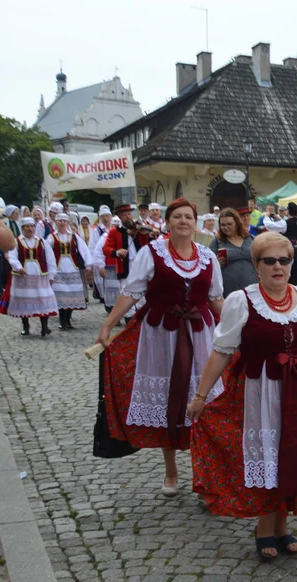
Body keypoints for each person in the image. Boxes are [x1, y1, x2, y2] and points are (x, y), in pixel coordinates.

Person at [186, 232, 297, 560]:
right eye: (269, 261)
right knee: (268, 455)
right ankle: (264, 528)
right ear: (256, 265)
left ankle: (282, 525)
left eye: (284, 260)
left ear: (292, 264)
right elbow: (221, 351)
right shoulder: (242, 300)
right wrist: (201, 395)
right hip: (259, 391)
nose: (278, 266)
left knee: (293, 452)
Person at [97, 198, 224, 497]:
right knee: (170, 399)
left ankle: (202, 474)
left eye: (188, 217)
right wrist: (108, 324)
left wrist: (241, 321)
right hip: (160, 335)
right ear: (167, 222)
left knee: (201, 400)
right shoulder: (152, 253)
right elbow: (131, 292)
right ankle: (170, 470)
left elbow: (216, 299)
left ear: (196, 223)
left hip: (199, 333)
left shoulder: (208, 257)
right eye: (177, 217)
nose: (183, 221)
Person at [0, 217, 56, 336]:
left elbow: (50, 259)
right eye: (27, 227)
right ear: (22, 228)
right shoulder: (16, 242)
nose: (30, 229)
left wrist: (51, 275)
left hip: (40, 275)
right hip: (23, 276)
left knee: (43, 300)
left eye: (32, 226)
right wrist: (18, 267)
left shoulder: (42, 242)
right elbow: (12, 257)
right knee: (24, 300)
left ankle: (44, 327)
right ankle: (26, 326)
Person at [48, 212, 91, 329]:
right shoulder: (51, 237)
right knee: (61, 296)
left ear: (67, 223)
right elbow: (47, 253)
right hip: (59, 270)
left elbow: (84, 250)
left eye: (64, 221)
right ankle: (62, 321)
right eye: (60, 221)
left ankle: (68, 320)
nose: (62, 223)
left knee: (72, 295)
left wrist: (88, 264)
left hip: (73, 269)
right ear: (56, 223)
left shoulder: (74, 236)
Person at [209, 209, 257, 296]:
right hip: (227, 292)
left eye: (229, 224)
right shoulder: (217, 241)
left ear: (237, 223)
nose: (226, 227)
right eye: (223, 225)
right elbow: (207, 266)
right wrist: (215, 264)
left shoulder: (251, 239)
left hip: (252, 290)